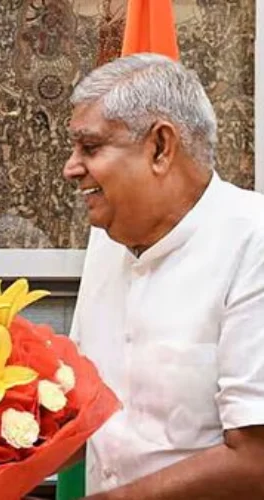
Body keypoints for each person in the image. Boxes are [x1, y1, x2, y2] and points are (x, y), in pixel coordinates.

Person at [63, 53, 264, 499]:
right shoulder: (106, 241)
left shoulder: (254, 240)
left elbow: (256, 461)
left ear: (160, 147)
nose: (71, 168)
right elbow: (82, 411)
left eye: (90, 148)